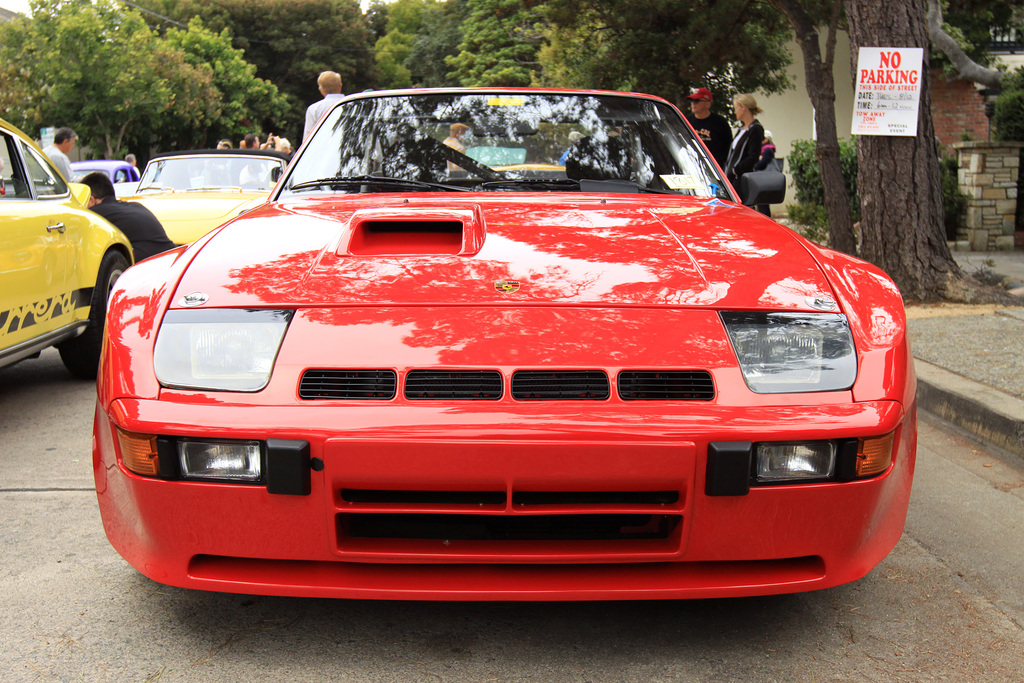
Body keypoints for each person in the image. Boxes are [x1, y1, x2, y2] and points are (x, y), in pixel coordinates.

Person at [80, 171, 177, 262]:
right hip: (172, 259)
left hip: (149, 266)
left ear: (91, 200)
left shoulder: (94, 214)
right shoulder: (136, 206)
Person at [723, 93, 765, 198]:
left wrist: (735, 170)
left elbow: (753, 156)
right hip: (731, 180)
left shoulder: (755, 129)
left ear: (743, 108)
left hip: (740, 180)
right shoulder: (741, 130)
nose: (734, 111)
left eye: (736, 108)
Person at [684, 88, 732, 169]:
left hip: (715, 169)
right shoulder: (686, 121)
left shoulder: (720, 122)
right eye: (691, 101)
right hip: (692, 167)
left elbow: (728, 147)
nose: (693, 104)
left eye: (697, 101)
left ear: (708, 103)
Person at [303, 71, 344, 142]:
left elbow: (308, 139)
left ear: (321, 90)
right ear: (340, 86)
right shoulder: (353, 105)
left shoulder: (314, 109)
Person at [753, 129, 779, 216]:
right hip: (763, 180)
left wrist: (755, 164)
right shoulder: (766, 150)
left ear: (767, 139)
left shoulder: (767, 150)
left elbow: (762, 164)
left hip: (763, 181)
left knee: (762, 203)